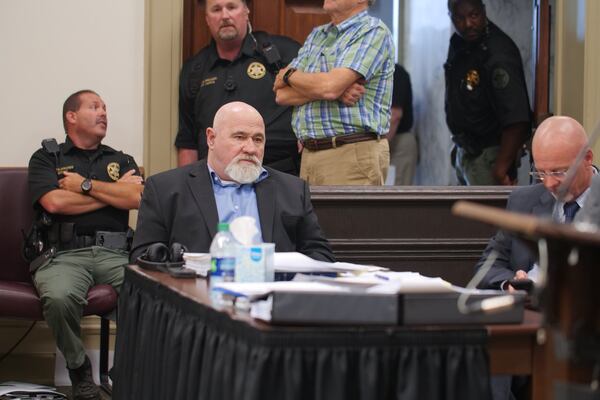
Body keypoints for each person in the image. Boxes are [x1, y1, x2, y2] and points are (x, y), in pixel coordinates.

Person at [27, 90, 143, 400]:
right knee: (59, 297)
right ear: (72, 116)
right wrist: (111, 193)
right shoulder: (48, 158)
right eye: (94, 107)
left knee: (153, 294)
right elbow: (53, 202)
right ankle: (79, 371)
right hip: (64, 255)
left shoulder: (122, 159)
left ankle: (127, 369)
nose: (104, 112)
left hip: (116, 254)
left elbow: (136, 198)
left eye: (105, 107)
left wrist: (84, 186)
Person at [131, 101, 335, 263]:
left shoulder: (292, 190)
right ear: (211, 139)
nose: (251, 148)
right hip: (197, 303)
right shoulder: (165, 189)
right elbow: (141, 261)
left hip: (274, 302)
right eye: (239, 137)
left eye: (258, 139)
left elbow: (321, 255)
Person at [273, 0, 394, 185]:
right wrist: (334, 89)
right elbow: (282, 94)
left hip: (351, 152)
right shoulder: (317, 35)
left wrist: (288, 74)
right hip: (308, 155)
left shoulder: (372, 31)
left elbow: (329, 87)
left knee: (347, 216)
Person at [176, 0, 302, 176]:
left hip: (280, 173)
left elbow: (316, 93)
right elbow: (187, 141)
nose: (225, 16)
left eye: (232, 7)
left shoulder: (281, 52)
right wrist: (187, 189)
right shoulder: (194, 69)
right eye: (216, 9)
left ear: (246, 12)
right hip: (217, 180)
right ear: (207, 18)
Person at [475, 116, 594, 291]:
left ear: (588, 158)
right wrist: (511, 283)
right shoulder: (522, 202)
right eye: (541, 173)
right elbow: (488, 266)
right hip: (530, 311)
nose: (549, 184)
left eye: (559, 172)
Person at [445, 0, 532, 186]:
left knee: (485, 215)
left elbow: (517, 120)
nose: (468, 23)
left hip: (490, 157)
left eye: (474, 15)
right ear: (451, 17)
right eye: (460, 18)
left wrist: (500, 168)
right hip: (465, 152)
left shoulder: (498, 52)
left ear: (483, 11)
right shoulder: (460, 43)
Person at [388, 64, 416, 185]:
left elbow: (394, 116)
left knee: (396, 198)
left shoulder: (395, 72)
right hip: (382, 142)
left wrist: (378, 148)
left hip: (396, 142)